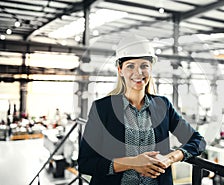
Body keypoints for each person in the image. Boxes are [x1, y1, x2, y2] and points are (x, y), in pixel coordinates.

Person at [78, 34, 206, 185]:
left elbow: (198, 141)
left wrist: (170, 158)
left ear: (151, 68)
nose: (138, 73)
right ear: (120, 70)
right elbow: (86, 163)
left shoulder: (163, 106)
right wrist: (132, 163)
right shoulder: (102, 108)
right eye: (130, 66)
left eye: (144, 65)